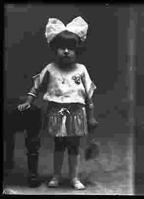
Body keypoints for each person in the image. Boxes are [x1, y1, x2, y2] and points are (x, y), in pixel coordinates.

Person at [18, 16, 98, 190]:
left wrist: (91, 117)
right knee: (59, 145)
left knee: (74, 146)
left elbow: (88, 96)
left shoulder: (81, 70)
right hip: (57, 111)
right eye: (62, 48)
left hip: (77, 111)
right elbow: (37, 85)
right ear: (55, 49)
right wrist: (28, 101)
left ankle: (74, 177)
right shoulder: (50, 68)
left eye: (70, 48)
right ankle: (56, 176)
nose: (66, 51)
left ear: (78, 50)